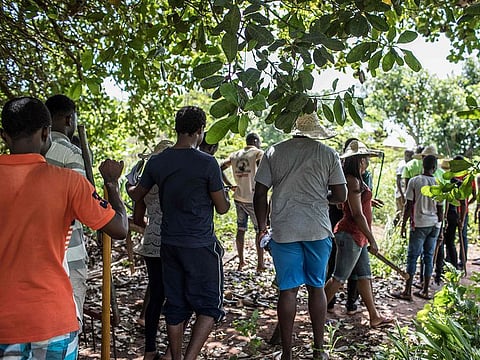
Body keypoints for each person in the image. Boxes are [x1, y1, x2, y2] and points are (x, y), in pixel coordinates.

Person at [0, 97, 128, 358]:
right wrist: (113, 187)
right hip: (52, 319)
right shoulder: (69, 182)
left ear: (4, 136)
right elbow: (119, 228)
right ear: (47, 132)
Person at [128, 106, 230, 360]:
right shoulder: (207, 163)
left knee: (175, 305)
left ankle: (175, 356)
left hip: (169, 243)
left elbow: (137, 194)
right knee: (209, 306)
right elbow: (222, 207)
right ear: (200, 130)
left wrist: (117, 181)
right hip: (200, 244)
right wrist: (224, 194)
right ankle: (189, 358)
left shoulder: (157, 161)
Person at [254, 112, 347, 360]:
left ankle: (287, 354)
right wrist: (321, 197)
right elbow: (341, 195)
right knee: (316, 287)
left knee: (288, 290)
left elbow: (260, 192)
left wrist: (261, 227)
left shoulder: (274, 152)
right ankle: (319, 351)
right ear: (316, 131)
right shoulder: (327, 154)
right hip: (317, 229)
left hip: (284, 230)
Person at [324, 140, 393, 330]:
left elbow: (348, 204)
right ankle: (316, 313)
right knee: (339, 278)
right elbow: (356, 214)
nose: (367, 163)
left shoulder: (356, 179)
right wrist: (372, 238)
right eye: (365, 159)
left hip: (357, 236)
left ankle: (374, 316)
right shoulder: (352, 180)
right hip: (351, 234)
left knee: (364, 276)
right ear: (358, 160)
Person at [44, 94, 89, 328]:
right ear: (68, 119)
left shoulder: (24, 149)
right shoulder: (69, 152)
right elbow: (82, 206)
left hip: (32, 251)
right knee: (69, 319)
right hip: (66, 251)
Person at [127, 140, 174, 360]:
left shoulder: (146, 182)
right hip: (175, 240)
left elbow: (137, 218)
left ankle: (149, 350)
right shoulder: (176, 178)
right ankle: (170, 352)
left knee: (156, 295)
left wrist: (152, 227)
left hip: (152, 243)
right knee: (177, 295)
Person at [393, 155, 443, 301]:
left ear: (423, 166)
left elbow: (408, 206)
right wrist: (440, 229)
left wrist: (403, 225)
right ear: (435, 168)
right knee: (428, 257)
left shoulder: (415, 181)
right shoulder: (438, 185)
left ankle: (407, 291)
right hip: (434, 225)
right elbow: (440, 211)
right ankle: (425, 290)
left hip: (419, 224)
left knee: (412, 257)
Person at [221, 132, 264, 271]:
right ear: (256, 141)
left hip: (239, 197)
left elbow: (220, 167)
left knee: (240, 229)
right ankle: (260, 264)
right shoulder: (258, 153)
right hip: (253, 199)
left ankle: (241, 262)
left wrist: (230, 185)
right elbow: (263, 172)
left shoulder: (235, 155)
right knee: (259, 231)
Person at [394, 149, 414, 226]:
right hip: (401, 193)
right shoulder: (402, 165)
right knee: (401, 213)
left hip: (405, 193)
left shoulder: (410, 165)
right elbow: (398, 180)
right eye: (408, 156)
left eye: (411, 156)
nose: (409, 158)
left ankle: (394, 229)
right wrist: (402, 195)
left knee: (401, 212)